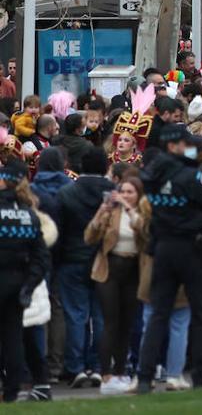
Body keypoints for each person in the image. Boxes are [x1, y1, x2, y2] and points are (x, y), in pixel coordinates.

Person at [139, 126, 202, 393]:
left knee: (158, 315)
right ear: (174, 145)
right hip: (192, 247)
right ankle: (199, 374)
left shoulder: (150, 176)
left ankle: (145, 376)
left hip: (162, 247)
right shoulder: (192, 176)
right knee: (200, 313)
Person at [83, 174, 150, 394]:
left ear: (138, 194)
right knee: (110, 322)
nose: (125, 196)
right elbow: (90, 237)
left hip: (133, 270)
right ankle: (106, 374)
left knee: (127, 324)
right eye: (122, 192)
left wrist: (130, 210)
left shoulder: (142, 211)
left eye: (130, 192)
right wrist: (101, 212)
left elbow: (146, 232)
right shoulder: (111, 212)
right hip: (109, 269)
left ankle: (121, 371)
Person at [54, 147, 114, 389]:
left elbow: (59, 230)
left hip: (72, 260)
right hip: (104, 260)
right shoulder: (113, 194)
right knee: (101, 316)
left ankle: (76, 366)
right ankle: (99, 366)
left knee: (75, 315)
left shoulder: (67, 192)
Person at [0, 159, 52, 405]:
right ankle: (12, 391)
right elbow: (42, 256)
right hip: (19, 281)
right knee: (13, 338)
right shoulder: (29, 214)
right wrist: (29, 285)